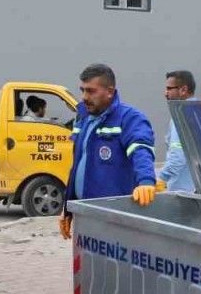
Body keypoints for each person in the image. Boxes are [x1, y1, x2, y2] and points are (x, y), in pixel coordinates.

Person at [59, 63, 158, 240]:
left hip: (114, 220)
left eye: (91, 91)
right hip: (85, 214)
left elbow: (140, 149)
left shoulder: (129, 118)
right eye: (82, 90)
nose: (85, 97)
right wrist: (68, 208)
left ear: (110, 92)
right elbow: (77, 166)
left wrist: (146, 181)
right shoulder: (84, 117)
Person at [157, 70, 196, 194]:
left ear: (183, 90)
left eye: (169, 89)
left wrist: (161, 178)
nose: (165, 93)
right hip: (198, 189)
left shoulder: (181, 114)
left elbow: (178, 156)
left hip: (182, 192)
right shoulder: (199, 112)